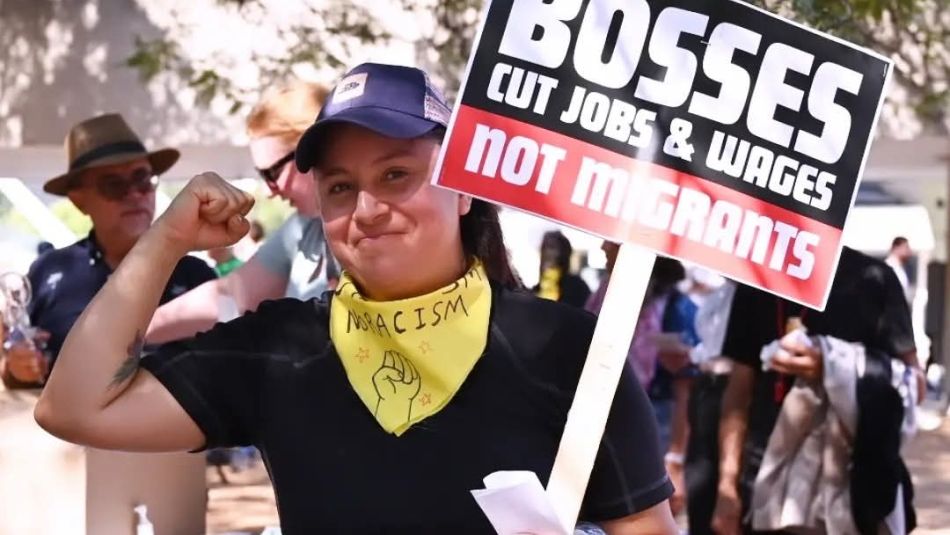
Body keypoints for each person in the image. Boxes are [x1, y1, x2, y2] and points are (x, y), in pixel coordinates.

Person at [36, 62, 677, 533]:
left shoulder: (567, 351)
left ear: (465, 187)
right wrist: (169, 238)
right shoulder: (277, 350)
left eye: (396, 174)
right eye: (340, 187)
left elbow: (645, 527)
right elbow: (74, 408)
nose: (367, 209)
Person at [711, 246, 921, 535]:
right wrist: (727, 488)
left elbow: (913, 383)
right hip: (766, 486)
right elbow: (738, 394)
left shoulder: (874, 278)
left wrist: (834, 364)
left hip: (855, 483)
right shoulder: (759, 281)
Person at [0, 113, 216, 389]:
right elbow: (14, 365)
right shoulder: (48, 272)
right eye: (114, 185)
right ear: (80, 201)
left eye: (142, 180)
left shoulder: (196, 278)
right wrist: (17, 367)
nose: (135, 194)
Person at [146, 82, 337, 343]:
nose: (272, 190)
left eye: (273, 173)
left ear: (314, 149)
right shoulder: (302, 229)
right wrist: (136, 333)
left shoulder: (371, 227)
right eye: (262, 176)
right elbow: (232, 294)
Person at [534, 230, 591, 308]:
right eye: (544, 247)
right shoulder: (537, 289)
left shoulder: (577, 287)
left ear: (563, 252)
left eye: (552, 247)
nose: (546, 252)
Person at [885, 236, 913, 303]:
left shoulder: (901, 269)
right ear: (896, 248)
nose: (909, 252)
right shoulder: (888, 268)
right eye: (906, 247)